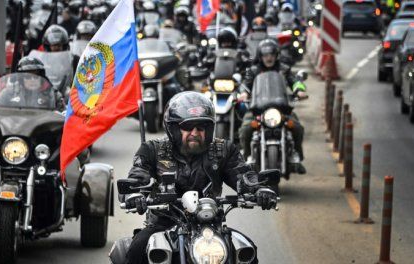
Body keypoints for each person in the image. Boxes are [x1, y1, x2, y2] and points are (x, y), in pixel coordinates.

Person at [124, 91, 277, 264]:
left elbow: (244, 176)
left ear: (209, 129)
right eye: (187, 127)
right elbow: (137, 177)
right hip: (163, 223)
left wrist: (259, 189)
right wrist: (135, 195)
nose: (195, 133)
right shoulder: (152, 150)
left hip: (211, 225)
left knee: (246, 251)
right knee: (137, 249)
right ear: (173, 129)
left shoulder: (223, 150)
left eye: (201, 127)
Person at [238, 39, 307, 175]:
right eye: (265, 55)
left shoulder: (284, 69)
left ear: (276, 55)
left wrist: (299, 90)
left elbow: (294, 82)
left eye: (271, 54)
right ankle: (247, 157)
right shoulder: (253, 70)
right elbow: (245, 85)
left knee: (297, 127)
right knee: (245, 129)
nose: (269, 58)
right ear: (260, 56)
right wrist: (244, 94)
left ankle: (297, 156)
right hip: (258, 109)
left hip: (281, 109)